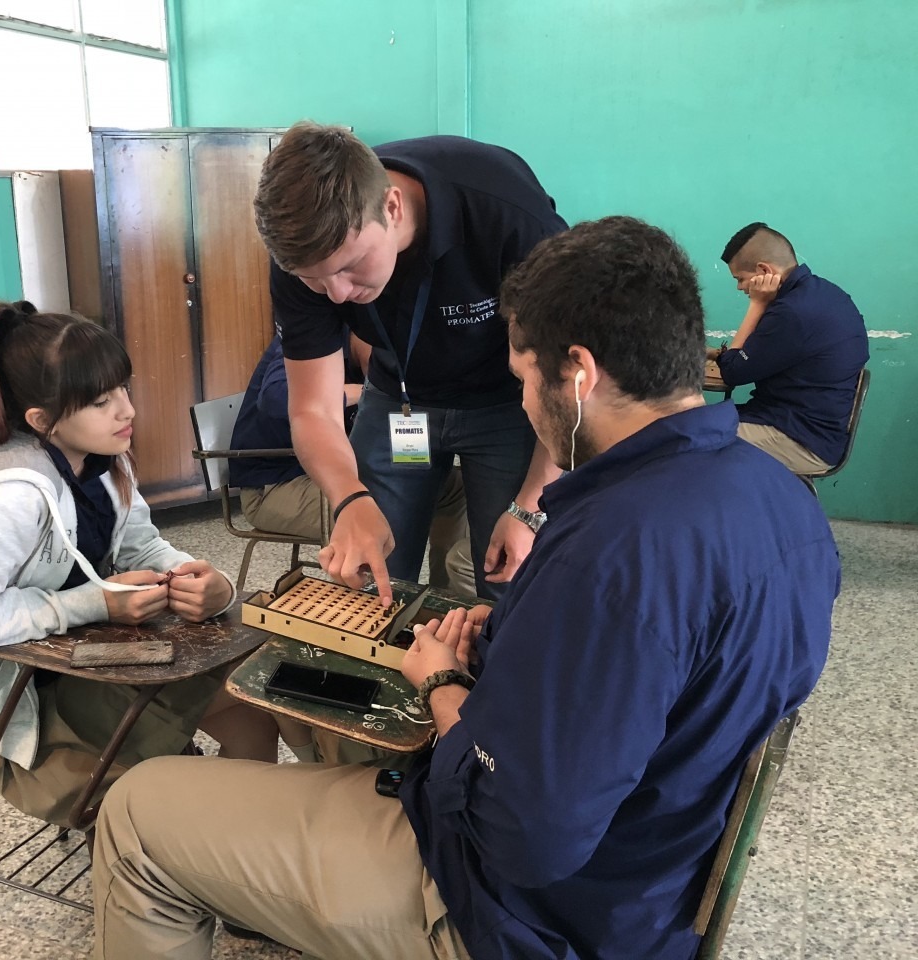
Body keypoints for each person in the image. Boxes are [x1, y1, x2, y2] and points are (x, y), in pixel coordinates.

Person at [87, 217, 839, 960]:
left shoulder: (609, 555)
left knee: (136, 813)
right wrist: (517, 639)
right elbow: (662, 680)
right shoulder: (781, 499)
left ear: (578, 373)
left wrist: (443, 683)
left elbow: (522, 836)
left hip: (522, 915)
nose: (524, 404)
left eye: (523, 378)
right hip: (653, 883)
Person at [0, 301, 279, 828]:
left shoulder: (104, 458)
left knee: (256, 705)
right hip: (30, 700)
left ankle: (249, 846)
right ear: (42, 421)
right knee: (253, 693)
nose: (127, 411)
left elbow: (141, 546)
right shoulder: (8, 496)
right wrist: (94, 604)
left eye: (123, 389)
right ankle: (216, 848)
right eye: (101, 401)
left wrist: (209, 582)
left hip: (99, 660)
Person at [253, 121, 569, 605]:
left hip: (510, 402)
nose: (336, 294)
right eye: (316, 280)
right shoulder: (303, 255)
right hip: (399, 396)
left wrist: (529, 509)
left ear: (393, 207)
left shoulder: (506, 211)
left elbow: (564, 383)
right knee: (366, 576)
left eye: (349, 266)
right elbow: (313, 409)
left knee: (509, 575)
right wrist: (349, 498)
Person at [231, 333, 475, 595]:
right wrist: (366, 391)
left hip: (335, 474)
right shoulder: (315, 336)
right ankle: (375, 606)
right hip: (273, 486)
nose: (391, 366)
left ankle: (443, 598)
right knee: (385, 506)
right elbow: (275, 397)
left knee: (455, 488)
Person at [707, 222, 869, 475]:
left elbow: (733, 373)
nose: (740, 287)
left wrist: (757, 304)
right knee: (691, 423)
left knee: (685, 442)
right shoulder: (822, 293)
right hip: (796, 421)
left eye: (740, 279)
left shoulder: (793, 312)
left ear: (764, 271)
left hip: (800, 438)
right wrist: (716, 353)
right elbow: (760, 355)